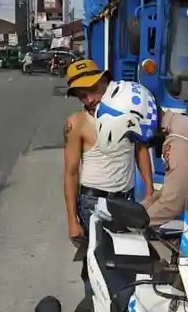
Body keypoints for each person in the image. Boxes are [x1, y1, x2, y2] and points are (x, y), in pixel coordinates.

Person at [92, 84, 188, 226]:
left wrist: (130, 224)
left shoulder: (180, 141)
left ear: (141, 119)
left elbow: (171, 204)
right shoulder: (179, 125)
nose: (133, 140)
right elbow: (172, 189)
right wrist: (141, 209)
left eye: (131, 135)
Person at [63, 59, 153, 242]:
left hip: (126, 199)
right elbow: (70, 173)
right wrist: (72, 220)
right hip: (93, 204)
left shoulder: (129, 113)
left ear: (105, 82)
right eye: (81, 95)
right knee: (98, 261)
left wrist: (150, 192)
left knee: (129, 255)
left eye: (92, 90)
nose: (89, 99)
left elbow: (140, 151)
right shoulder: (77, 123)